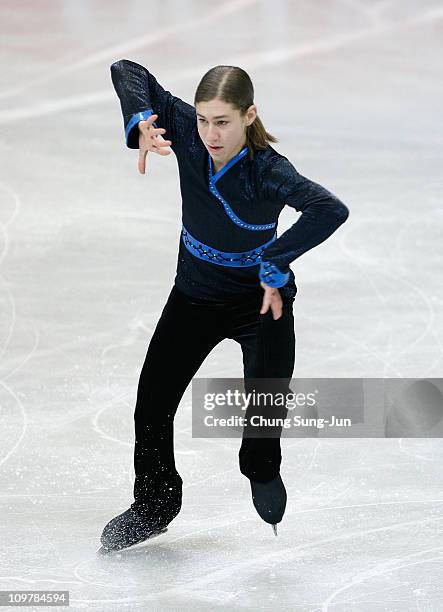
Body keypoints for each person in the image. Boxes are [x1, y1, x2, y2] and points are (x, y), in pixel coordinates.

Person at [99, 59, 349, 553]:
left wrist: (277, 259)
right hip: (195, 293)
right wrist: (141, 121)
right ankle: (155, 503)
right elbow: (127, 70)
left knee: (266, 406)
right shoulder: (189, 138)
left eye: (223, 121)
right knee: (151, 404)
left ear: (249, 116)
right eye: (202, 119)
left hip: (261, 303)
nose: (210, 134)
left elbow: (329, 209)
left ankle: (259, 468)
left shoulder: (269, 172)